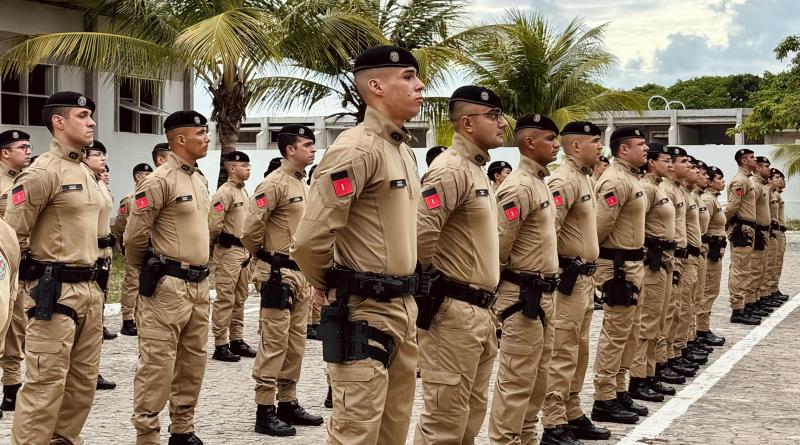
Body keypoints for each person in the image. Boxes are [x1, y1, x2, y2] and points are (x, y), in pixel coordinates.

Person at [291, 45, 424, 445]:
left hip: (402, 306)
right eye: (408, 77)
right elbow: (311, 238)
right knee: (357, 433)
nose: (420, 86)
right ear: (375, 85)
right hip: (363, 309)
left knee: (392, 431)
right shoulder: (356, 148)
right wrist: (326, 282)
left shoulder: (401, 151)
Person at [7, 91, 104, 444]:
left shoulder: (85, 171)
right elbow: (10, 237)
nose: (91, 121)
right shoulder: (42, 173)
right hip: (54, 293)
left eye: (91, 115)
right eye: (82, 115)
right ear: (58, 122)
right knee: (45, 386)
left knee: (81, 386)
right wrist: (15, 289)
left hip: (90, 290)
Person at [413, 85, 503, 444]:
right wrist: (437, 284)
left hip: (480, 309)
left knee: (469, 417)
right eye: (493, 116)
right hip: (453, 310)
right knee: (445, 421)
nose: (502, 124)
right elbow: (421, 233)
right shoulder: (449, 169)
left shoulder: (476, 169)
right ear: (467, 123)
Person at [125, 110, 211, 445]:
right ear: (179, 139)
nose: (206, 139)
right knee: (157, 366)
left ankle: (183, 429)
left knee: (193, 362)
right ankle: (147, 435)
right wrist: (147, 270)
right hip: (168, 286)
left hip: (199, 284)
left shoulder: (199, 178)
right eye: (200, 134)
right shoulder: (159, 180)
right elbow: (134, 237)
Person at [242, 124, 322, 436]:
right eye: (307, 144)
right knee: (274, 342)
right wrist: (266, 258)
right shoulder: (272, 184)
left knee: (296, 343)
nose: (313, 149)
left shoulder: (302, 184)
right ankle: (265, 409)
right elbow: (250, 230)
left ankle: (288, 401)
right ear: (290, 150)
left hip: (300, 273)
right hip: (278, 274)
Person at [488, 113, 559, 444]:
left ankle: (526, 437)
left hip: (543, 294)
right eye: (550, 138)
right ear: (529, 143)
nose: (557, 144)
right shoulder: (517, 187)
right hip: (522, 297)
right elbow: (500, 244)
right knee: (517, 381)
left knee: (538, 379)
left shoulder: (539, 183)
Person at [540, 121, 609, 445]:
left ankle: (572, 412)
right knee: (563, 351)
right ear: (576, 146)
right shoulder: (563, 180)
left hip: (584, 280)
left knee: (579, 351)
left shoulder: (584, 178)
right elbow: (548, 232)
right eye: (595, 141)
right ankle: (553, 423)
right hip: (568, 280)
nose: (600, 147)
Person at [589, 127, 648, 425]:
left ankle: (619, 388)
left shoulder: (629, 178)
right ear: (623, 150)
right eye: (640, 144)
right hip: (618, 266)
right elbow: (600, 227)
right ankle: (604, 397)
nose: (646, 148)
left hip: (633, 264)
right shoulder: (614, 180)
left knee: (630, 332)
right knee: (615, 333)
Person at [627, 143, 676, 405]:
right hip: (652, 261)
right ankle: (638, 377)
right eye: (666, 160)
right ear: (652, 163)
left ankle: (649, 371)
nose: (670, 165)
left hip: (665, 260)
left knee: (657, 320)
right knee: (647, 323)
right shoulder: (646, 188)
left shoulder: (657, 187)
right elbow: (637, 225)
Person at [209, 151, 256, 362]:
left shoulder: (243, 193)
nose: (248, 169)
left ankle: (237, 339)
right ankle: (221, 343)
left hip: (243, 252)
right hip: (228, 252)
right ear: (232, 168)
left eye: (248, 165)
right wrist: (210, 249)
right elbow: (214, 225)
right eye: (244, 165)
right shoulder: (224, 193)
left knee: (240, 297)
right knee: (225, 298)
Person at [81, 140, 118, 391]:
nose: (102, 158)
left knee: (96, 316)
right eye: (97, 154)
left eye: (104, 154)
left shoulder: (99, 183)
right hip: (87, 254)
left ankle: (91, 370)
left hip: (104, 254)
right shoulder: (82, 182)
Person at [0, 129, 30, 413]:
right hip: (0, 264)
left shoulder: (24, 181)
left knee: (15, 324)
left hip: (18, 263)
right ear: (5, 153)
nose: (28, 151)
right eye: (22, 146)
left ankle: (11, 388)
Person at [111, 162, 154, 336]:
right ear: (138, 176)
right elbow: (120, 226)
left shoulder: (151, 196)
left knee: (148, 282)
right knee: (132, 283)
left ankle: (141, 316)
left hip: (151, 248)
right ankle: (128, 319)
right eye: (147, 175)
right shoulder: (129, 200)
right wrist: (123, 246)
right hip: (133, 248)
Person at [724, 149, 760, 325]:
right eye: (752, 158)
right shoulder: (740, 181)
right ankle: (737, 309)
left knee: (745, 269)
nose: (756, 160)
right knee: (740, 269)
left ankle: (743, 307)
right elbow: (732, 206)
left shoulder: (746, 180)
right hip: (741, 228)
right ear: (744, 161)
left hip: (748, 228)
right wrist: (725, 221)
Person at [697, 166, 727, 346]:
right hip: (710, 251)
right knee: (707, 291)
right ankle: (701, 330)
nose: (723, 182)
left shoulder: (712, 199)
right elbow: (702, 227)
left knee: (710, 291)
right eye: (719, 178)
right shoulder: (708, 199)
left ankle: (701, 328)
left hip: (715, 249)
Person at [749, 156, 775, 317]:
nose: (769, 170)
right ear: (758, 168)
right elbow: (747, 209)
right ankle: (748, 303)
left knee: (762, 268)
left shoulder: (762, 186)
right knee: (754, 269)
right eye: (766, 166)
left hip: (764, 231)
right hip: (757, 231)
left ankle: (756, 300)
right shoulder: (755, 186)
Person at [768, 169, 789, 302]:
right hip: (772, 232)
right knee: (769, 263)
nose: (781, 180)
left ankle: (773, 289)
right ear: (770, 179)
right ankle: (768, 292)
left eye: (782, 177)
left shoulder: (776, 194)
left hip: (779, 232)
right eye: (777, 177)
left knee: (776, 263)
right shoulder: (770, 193)